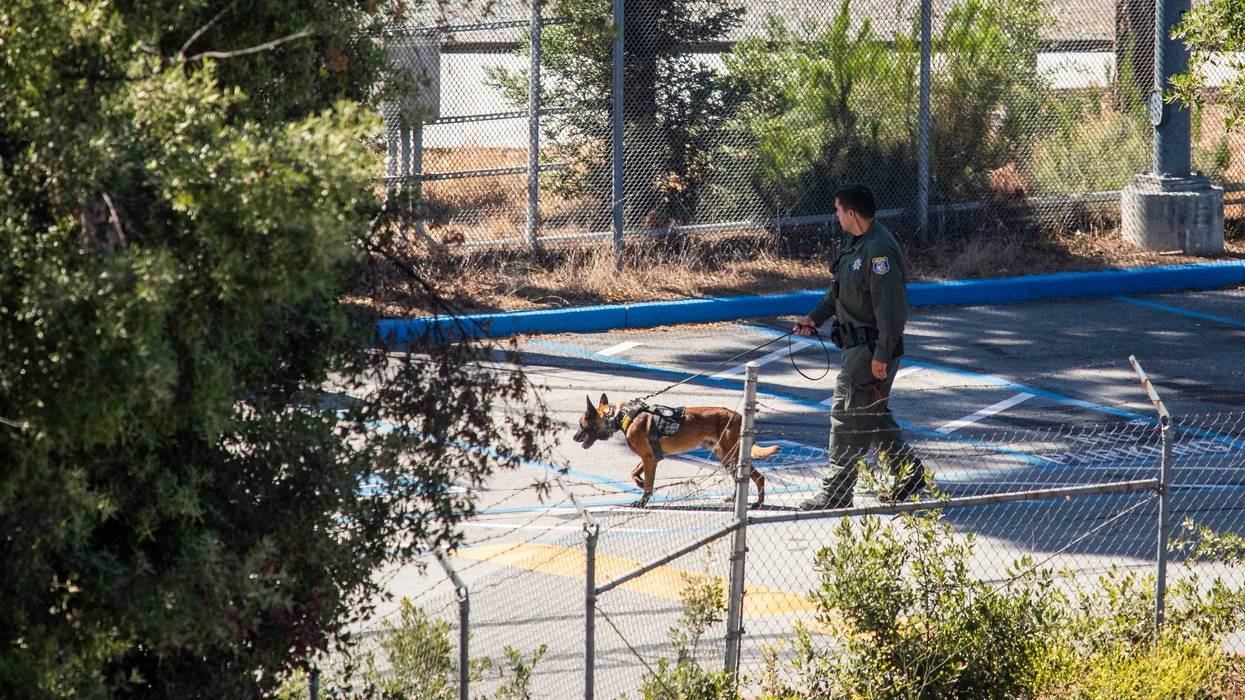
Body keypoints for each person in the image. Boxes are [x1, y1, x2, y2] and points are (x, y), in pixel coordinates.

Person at [793, 183, 929, 510]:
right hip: (855, 347)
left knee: (846, 418)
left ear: (851, 213)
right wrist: (814, 318)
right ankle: (910, 474)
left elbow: (891, 310)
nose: (836, 215)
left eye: (838, 210)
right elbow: (837, 292)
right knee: (872, 415)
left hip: (870, 350)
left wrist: (882, 355)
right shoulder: (856, 242)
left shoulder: (879, 250)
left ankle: (836, 493)